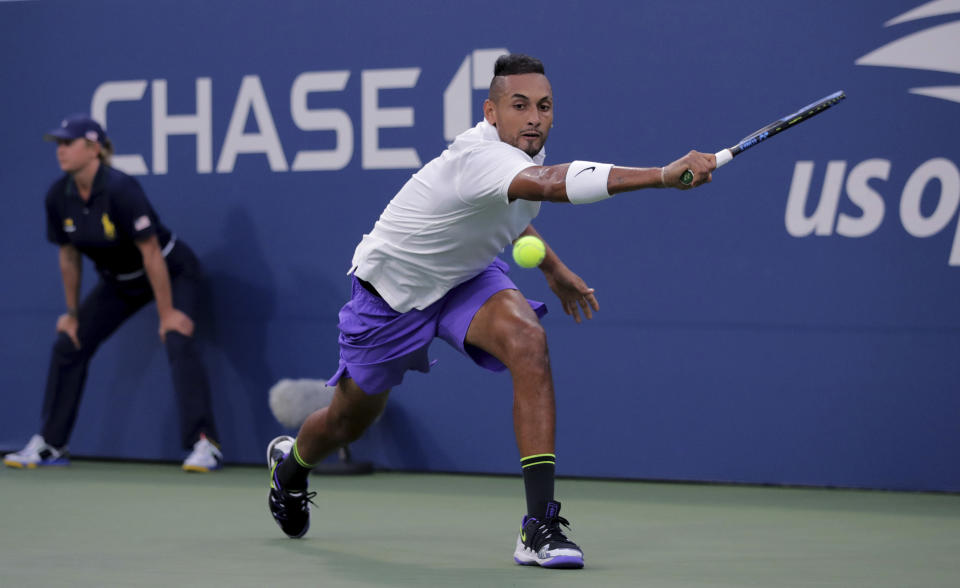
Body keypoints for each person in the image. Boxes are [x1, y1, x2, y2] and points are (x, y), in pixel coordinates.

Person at [265, 54, 715, 568]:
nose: (534, 118)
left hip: (464, 278)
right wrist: (661, 174)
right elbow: (547, 184)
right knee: (347, 423)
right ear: (492, 112)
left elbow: (508, 207)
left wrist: (551, 266)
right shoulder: (480, 157)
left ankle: (539, 524)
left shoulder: (519, 154)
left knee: (528, 342)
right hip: (391, 296)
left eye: (544, 107)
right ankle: (291, 467)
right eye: (519, 106)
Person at [2, 115, 223, 473]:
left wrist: (167, 314)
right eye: (57, 144)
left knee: (178, 339)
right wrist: (72, 314)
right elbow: (69, 256)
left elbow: (151, 252)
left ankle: (204, 445)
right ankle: (52, 443)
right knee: (69, 343)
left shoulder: (121, 189)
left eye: (67, 143)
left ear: (93, 149)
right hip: (119, 282)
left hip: (171, 268)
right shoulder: (58, 196)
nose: (60, 151)